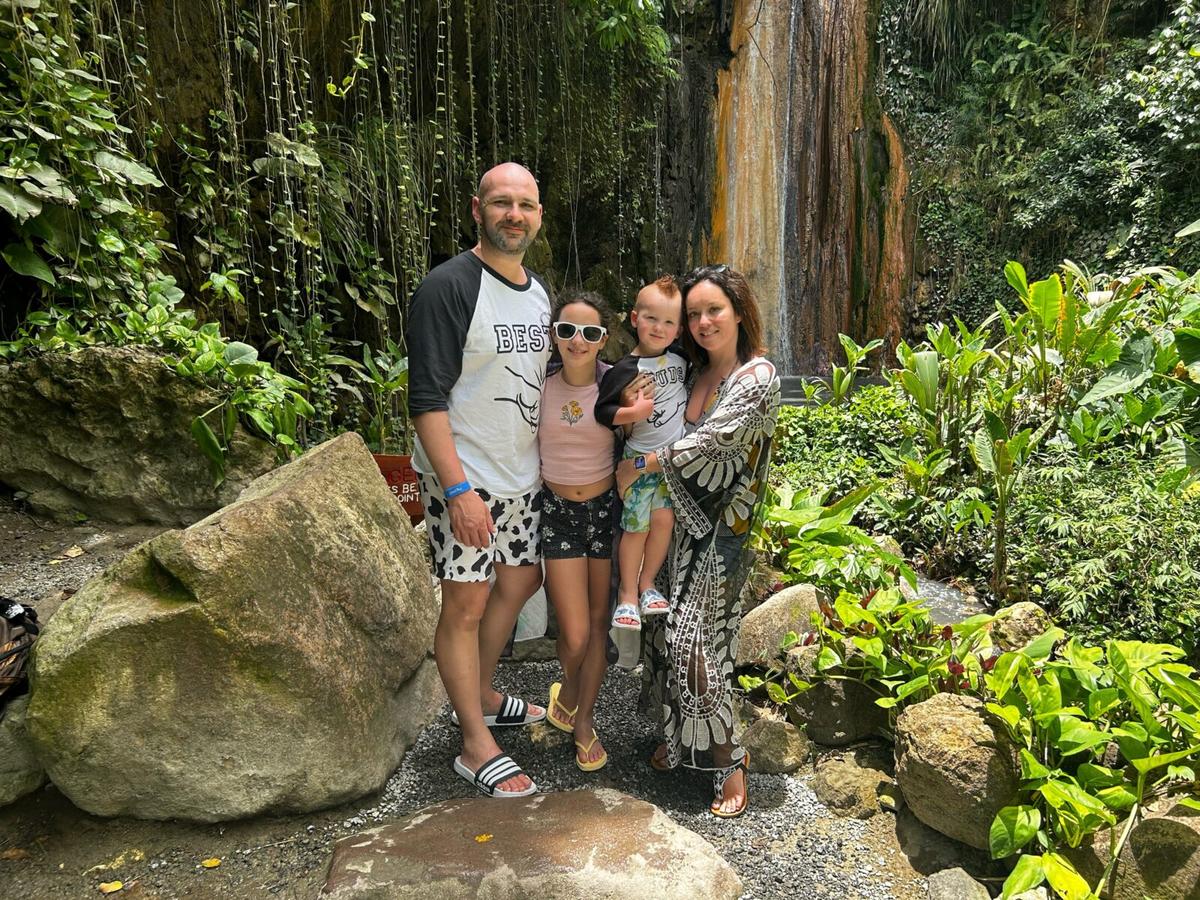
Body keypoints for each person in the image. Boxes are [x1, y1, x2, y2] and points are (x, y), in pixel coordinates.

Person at [615, 265, 780, 819]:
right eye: (694, 314)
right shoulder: (689, 371)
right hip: (671, 523)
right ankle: (679, 739)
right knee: (663, 634)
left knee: (698, 641)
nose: (704, 322)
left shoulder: (756, 377)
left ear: (738, 312)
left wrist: (641, 463)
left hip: (720, 533)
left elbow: (716, 441)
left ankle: (729, 758)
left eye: (714, 310)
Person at [408, 162, 551, 799]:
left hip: (522, 476)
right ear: (477, 209)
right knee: (465, 603)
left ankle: (485, 691)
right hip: (466, 477)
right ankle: (473, 742)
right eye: (501, 203)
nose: (513, 214)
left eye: (524, 204)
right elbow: (426, 400)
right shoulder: (449, 287)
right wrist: (458, 490)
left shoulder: (539, 293)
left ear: (539, 214)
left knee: (520, 579)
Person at [537, 291, 617, 772]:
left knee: (599, 627)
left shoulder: (617, 385)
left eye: (589, 332)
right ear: (554, 335)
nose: (578, 341)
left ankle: (582, 719)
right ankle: (567, 690)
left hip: (607, 511)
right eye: (567, 330)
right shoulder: (539, 386)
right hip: (558, 511)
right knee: (575, 631)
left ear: (603, 339)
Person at [595, 276, 688, 632]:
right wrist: (630, 411)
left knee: (664, 522)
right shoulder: (623, 371)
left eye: (668, 322)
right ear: (634, 319)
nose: (659, 328)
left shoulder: (680, 359)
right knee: (635, 528)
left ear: (679, 330)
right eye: (651, 319)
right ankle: (627, 595)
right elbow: (603, 413)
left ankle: (648, 584)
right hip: (637, 460)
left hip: (669, 466)